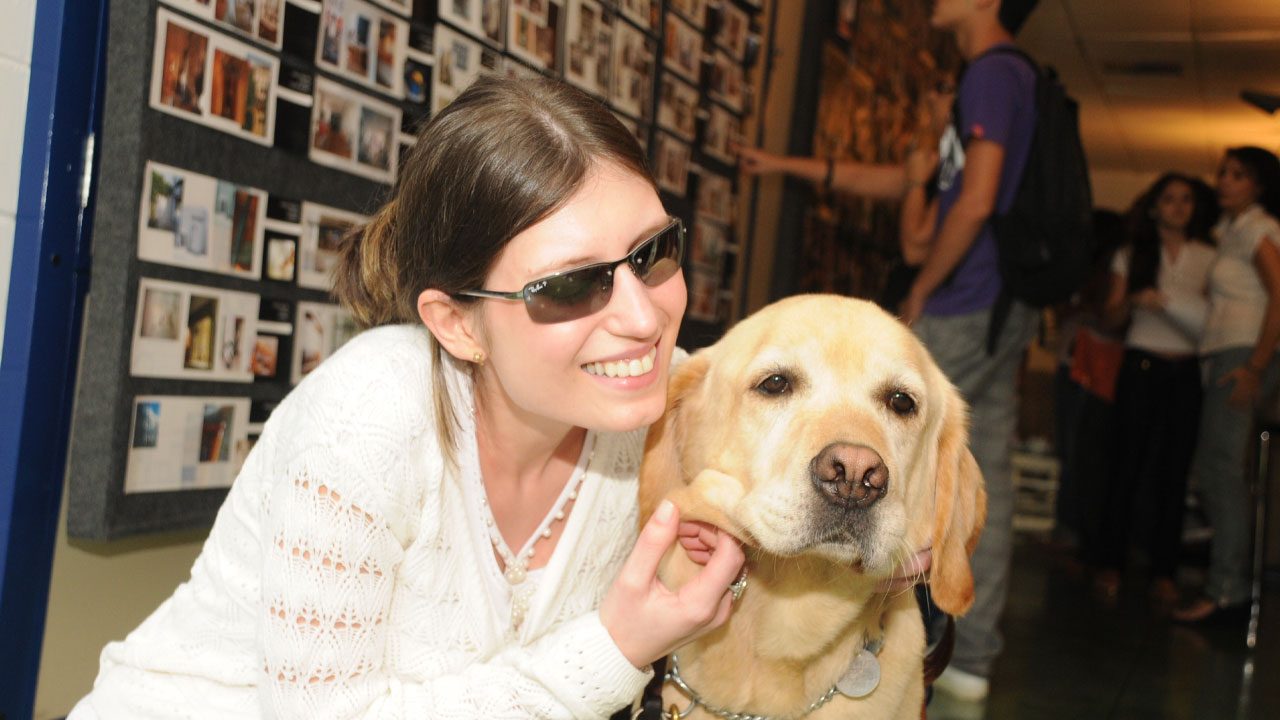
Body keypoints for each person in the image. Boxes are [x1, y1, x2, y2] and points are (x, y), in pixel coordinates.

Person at [70, 76, 748, 719]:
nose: (644, 317)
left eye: (652, 253)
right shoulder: (368, 419)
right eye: (570, 285)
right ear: (457, 324)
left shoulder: (654, 396)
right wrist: (613, 648)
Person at [1083, 174, 1217, 606]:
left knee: (1174, 473)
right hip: (1141, 367)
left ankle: (1164, 572)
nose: (1178, 207)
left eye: (1186, 199)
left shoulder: (1210, 257)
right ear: (1155, 207)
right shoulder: (1132, 254)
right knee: (1126, 466)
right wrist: (1134, 302)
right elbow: (1108, 322)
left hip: (1186, 372)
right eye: (1170, 199)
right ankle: (1110, 563)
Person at [1173, 146, 1280, 624]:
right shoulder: (1234, 231)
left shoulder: (1259, 228)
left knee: (1222, 470)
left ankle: (1227, 592)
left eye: (1238, 175)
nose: (1224, 181)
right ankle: (1225, 587)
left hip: (1242, 355)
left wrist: (1256, 366)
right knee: (1216, 468)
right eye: (1223, 172)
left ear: (1258, 185)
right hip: (1226, 355)